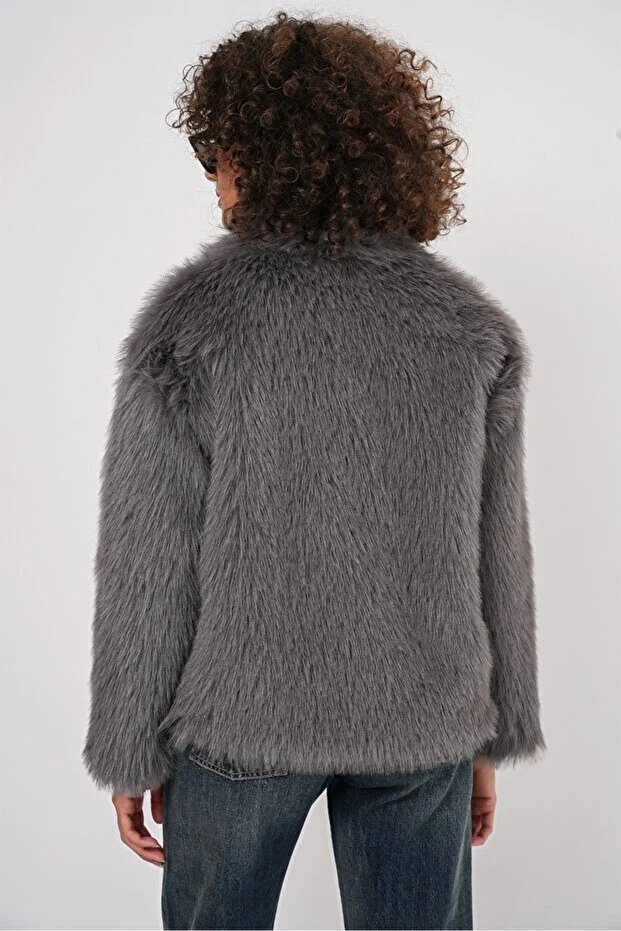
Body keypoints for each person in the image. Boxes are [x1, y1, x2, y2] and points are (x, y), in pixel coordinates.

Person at [82, 11, 545, 931]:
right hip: (421, 715)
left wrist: (130, 743)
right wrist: (489, 732)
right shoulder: (466, 327)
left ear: (262, 155)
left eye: (217, 151)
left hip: (243, 718)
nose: (212, 177)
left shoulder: (196, 319)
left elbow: (149, 557)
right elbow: (499, 553)